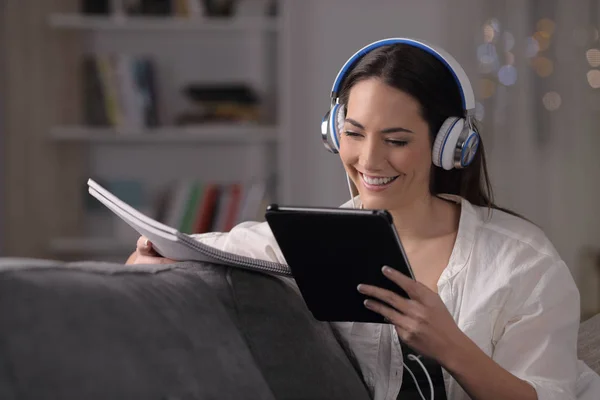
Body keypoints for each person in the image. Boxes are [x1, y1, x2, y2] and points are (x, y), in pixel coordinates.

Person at [126, 38, 600, 400]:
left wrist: (450, 346)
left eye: (396, 140)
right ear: (334, 133)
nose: (369, 160)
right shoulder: (309, 241)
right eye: (353, 133)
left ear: (448, 145)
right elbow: (193, 248)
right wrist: (154, 264)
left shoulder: (522, 263)